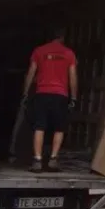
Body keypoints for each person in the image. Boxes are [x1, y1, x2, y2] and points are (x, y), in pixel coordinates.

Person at [22, 27, 78, 173]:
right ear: (63, 37)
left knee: (39, 126)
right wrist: (74, 96)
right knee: (59, 128)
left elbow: (31, 73)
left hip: (42, 93)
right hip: (61, 95)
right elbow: (72, 76)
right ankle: (53, 159)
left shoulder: (39, 51)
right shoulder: (69, 54)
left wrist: (25, 93)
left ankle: (37, 160)